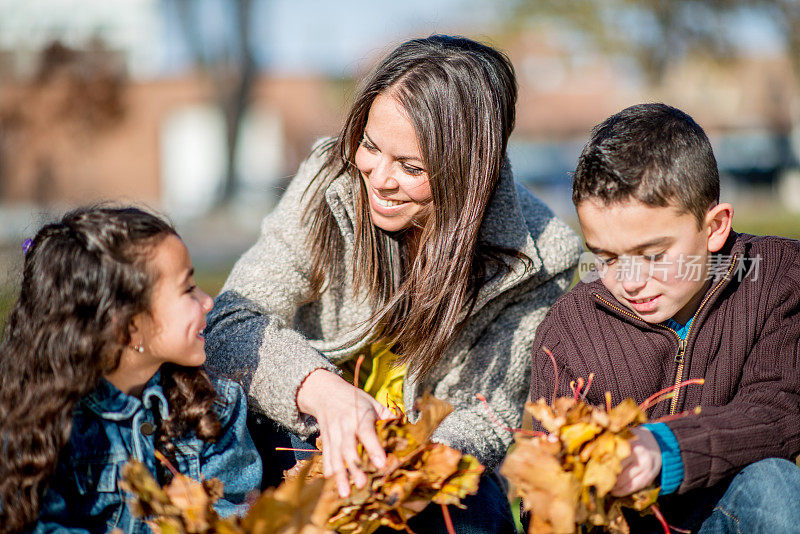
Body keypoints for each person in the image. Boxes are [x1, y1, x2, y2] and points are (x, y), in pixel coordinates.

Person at [204, 34, 582, 532]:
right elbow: (232, 323)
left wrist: (390, 468)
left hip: (415, 464)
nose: (378, 178)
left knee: (475, 508)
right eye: (370, 145)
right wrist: (324, 394)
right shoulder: (329, 178)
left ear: (473, 173)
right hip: (293, 433)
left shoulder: (539, 254)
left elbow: (485, 418)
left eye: (411, 167)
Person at [528, 103, 800, 532]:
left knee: (773, 483)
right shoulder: (569, 330)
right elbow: (539, 485)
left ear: (714, 227)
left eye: (653, 255)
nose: (631, 281)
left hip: (730, 511)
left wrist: (662, 448)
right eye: (605, 257)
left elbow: (778, 411)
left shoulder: (776, 278)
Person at [0, 207, 262, 533]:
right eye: (187, 289)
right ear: (126, 327)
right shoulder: (42, 424)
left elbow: (232, 519)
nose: (208, 301)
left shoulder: (214, 408)